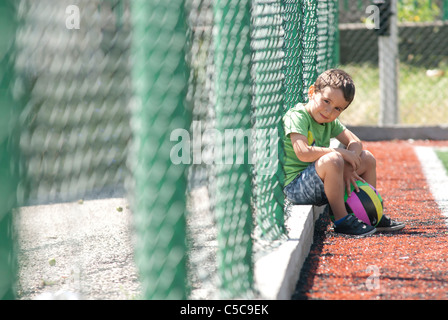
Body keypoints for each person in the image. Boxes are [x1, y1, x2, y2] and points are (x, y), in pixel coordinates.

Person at [283, 68, 405, 237]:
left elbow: (355, 142)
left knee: (367, 158)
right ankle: (342, 221)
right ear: (312, 92)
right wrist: (341, 155)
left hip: (324, 179)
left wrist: (348, 165)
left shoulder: (329, 121)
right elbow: (303, 152)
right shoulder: (297, 116)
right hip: (298, 187)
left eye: (338, 109)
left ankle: (371, 212)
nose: (329, 111)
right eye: (326, 101)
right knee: (333, 159)